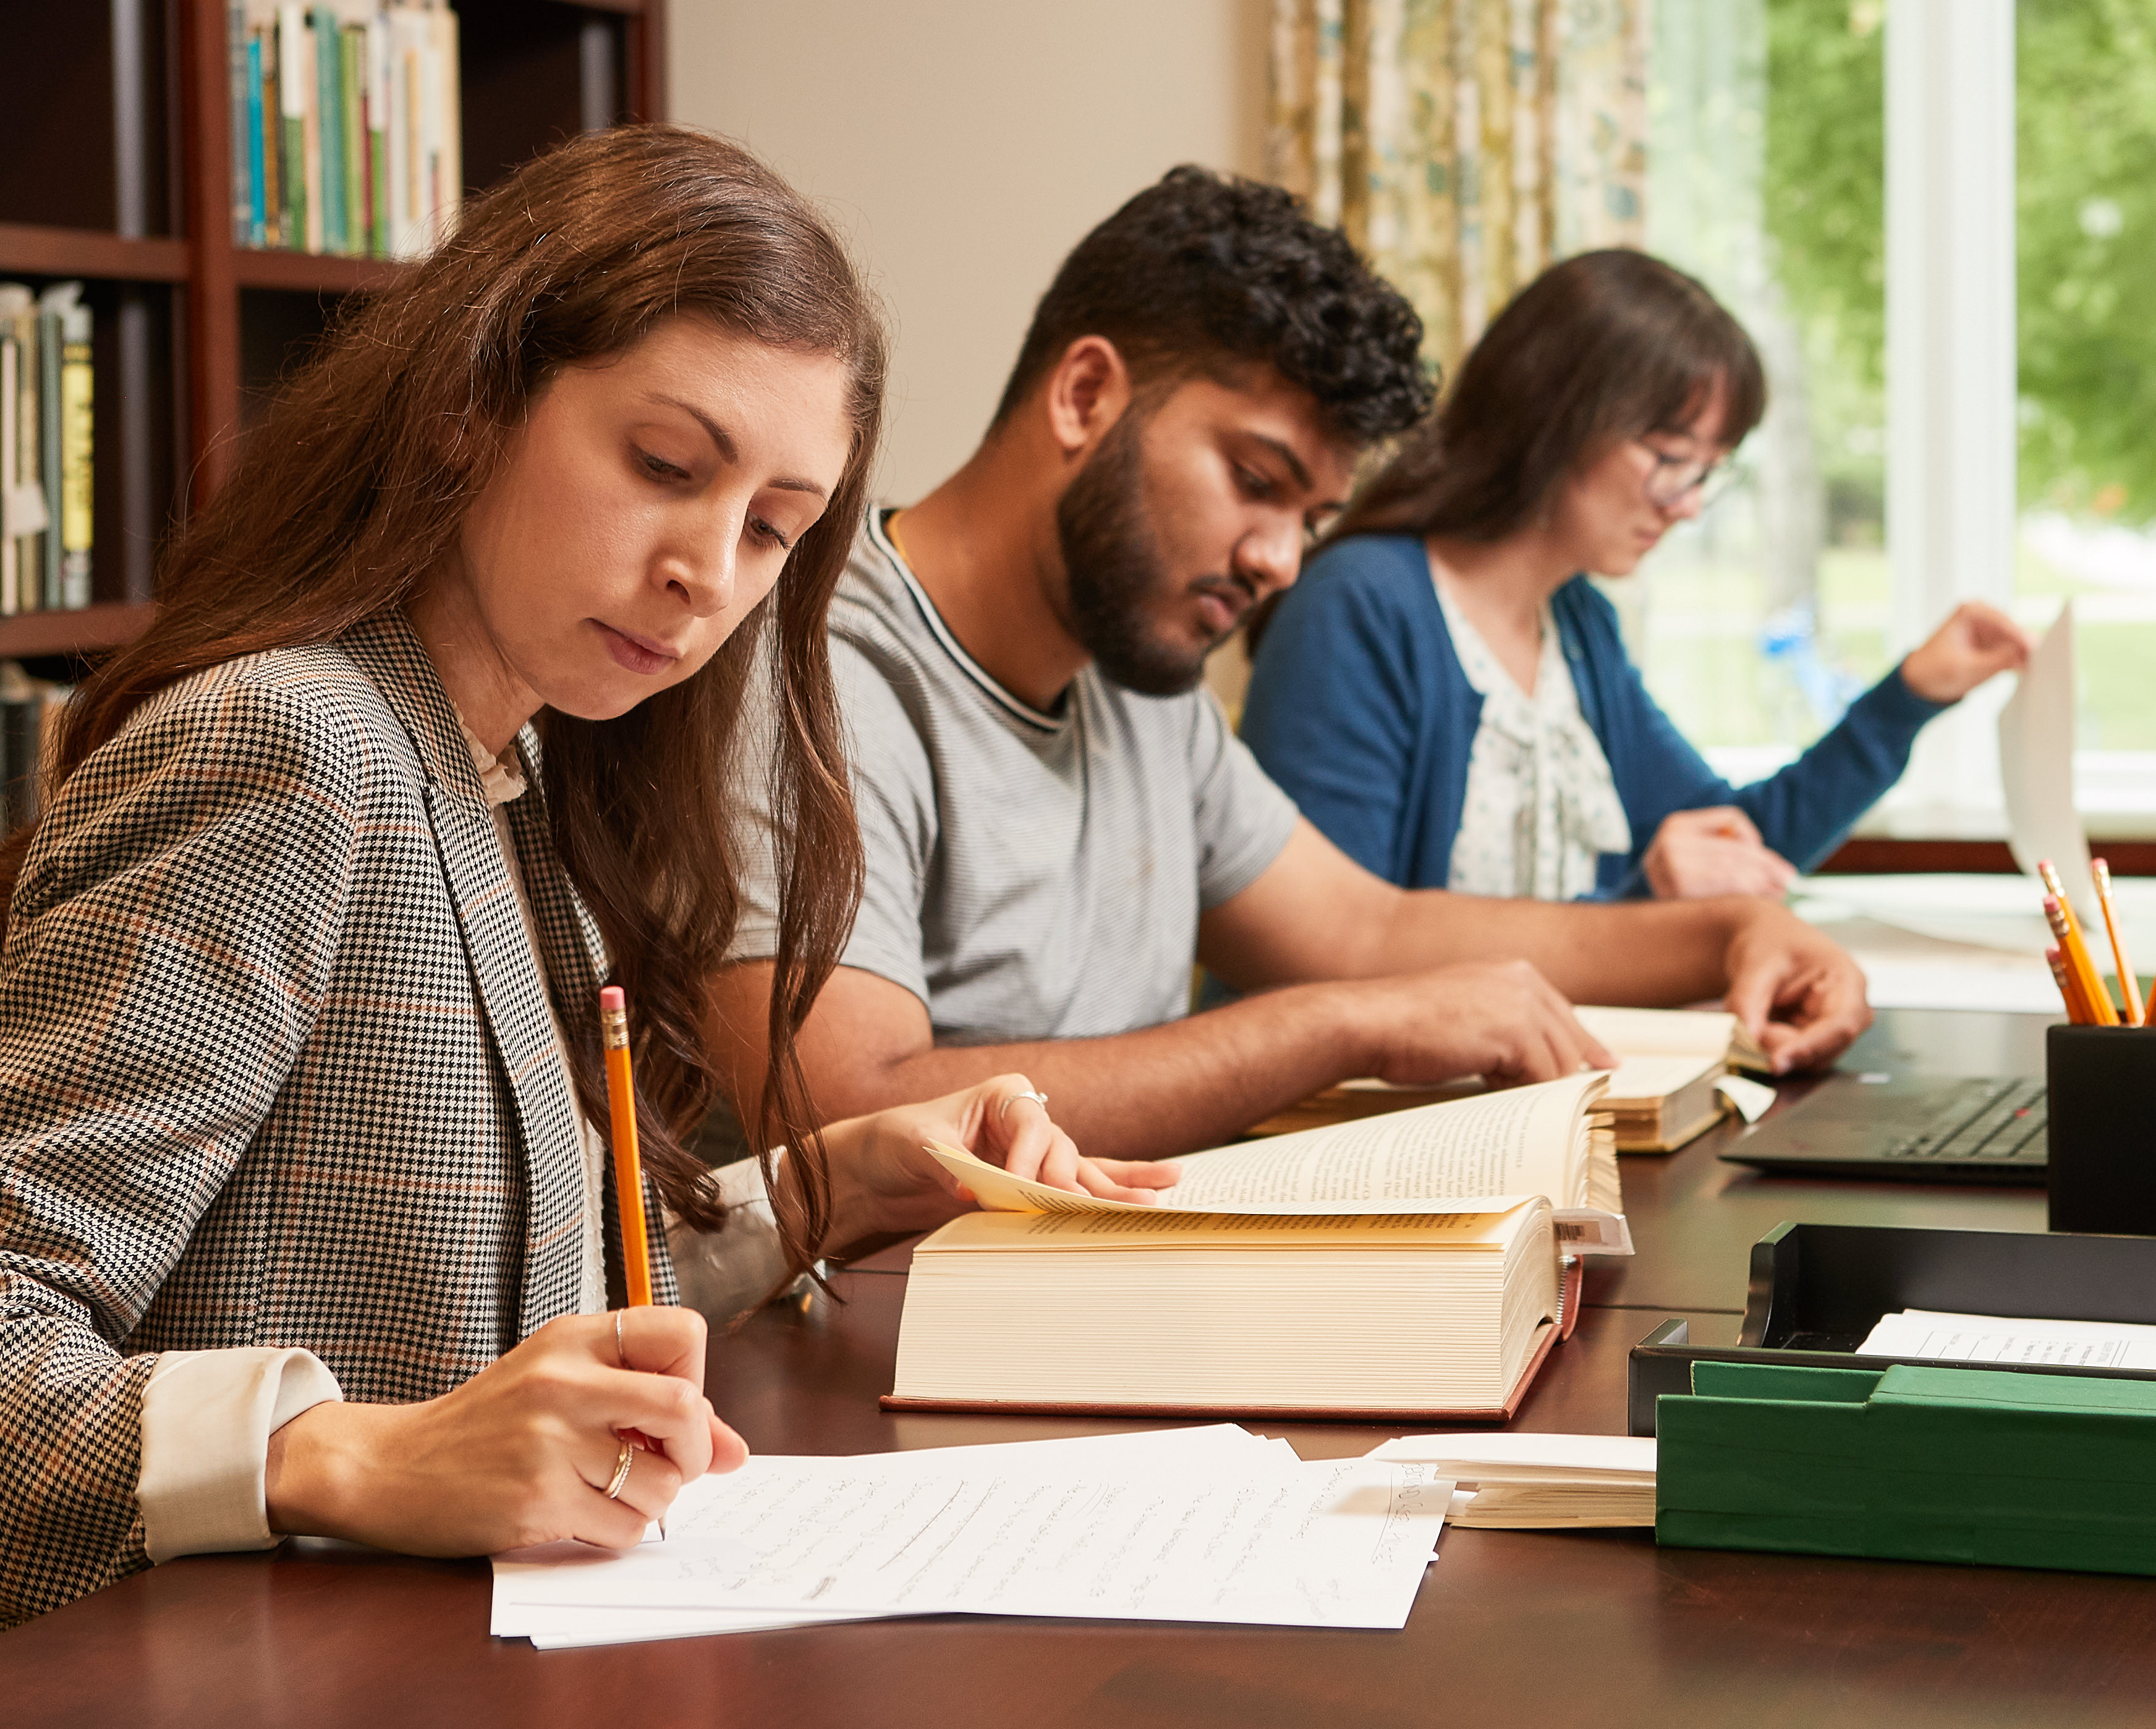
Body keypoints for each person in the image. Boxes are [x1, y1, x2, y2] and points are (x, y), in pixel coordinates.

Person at [0, 127, 1163, 1633]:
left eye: (771, 527)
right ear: (469, 407)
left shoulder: (517, 775)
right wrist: (351, 1452)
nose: (709, 567)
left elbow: (509, 1329)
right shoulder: (290, 745)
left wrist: (832, 1182)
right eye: (663, 465)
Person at [702, 168, 1878, 1168]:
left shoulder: (1136, 675)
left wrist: (1729, 935)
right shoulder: (815, 664)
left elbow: (1369, 931)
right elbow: (841, 1111)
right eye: (1257, 482)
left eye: (1311, 515)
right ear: (1085, 394)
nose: (1278, 560)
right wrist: (1340, 1028)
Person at [1239, 249, 2029, 907]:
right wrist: (1641, 907)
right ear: (1554, 416)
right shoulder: (1362, 607)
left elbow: (1732, 842)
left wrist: (1911, 697)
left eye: (1707, 473)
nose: (1687, 506)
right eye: (1671, 460)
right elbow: (1333, 950)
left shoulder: (1576, 625)